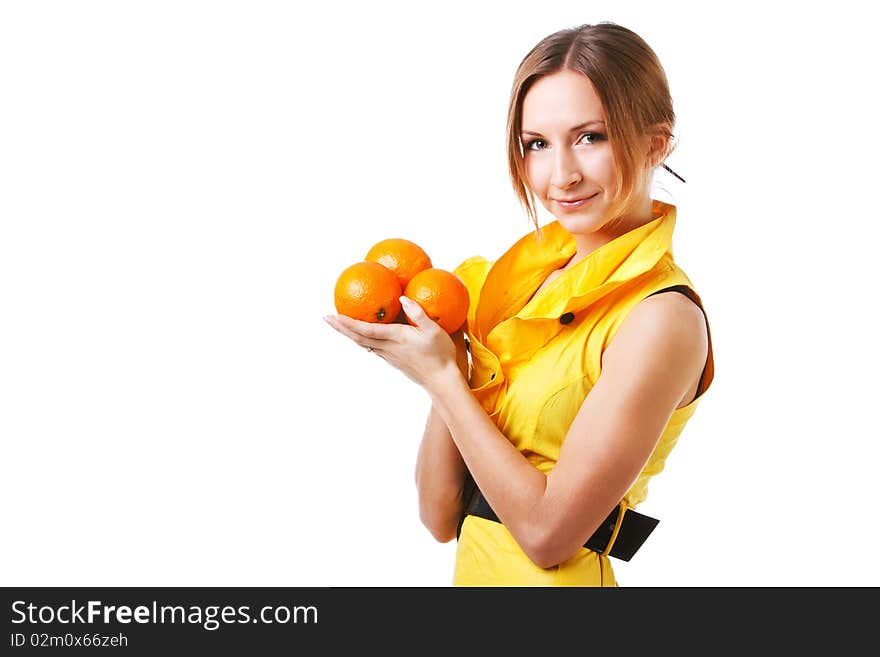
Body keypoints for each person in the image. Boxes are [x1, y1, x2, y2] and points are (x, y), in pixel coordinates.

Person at [324, 21, 714, 586]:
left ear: (657, 141)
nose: (561, 174)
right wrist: (452, 358)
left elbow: (547, 535)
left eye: (591, 137)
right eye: (537, 144)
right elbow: (439, 516)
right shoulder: (511, 290)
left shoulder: (661, 319)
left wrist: (442, 379)